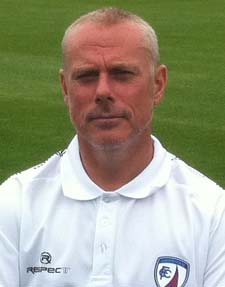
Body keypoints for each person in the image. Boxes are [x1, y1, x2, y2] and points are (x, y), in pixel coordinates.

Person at [0, 7, 224, 287]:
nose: (103, 91)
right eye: (86, 76)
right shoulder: (14, 202)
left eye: (122, 73)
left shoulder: (212, 211)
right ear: (65, 88)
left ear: (158, 84)